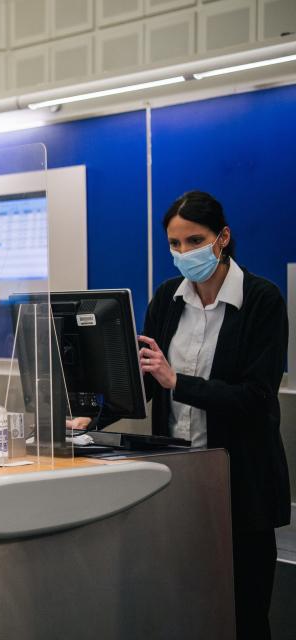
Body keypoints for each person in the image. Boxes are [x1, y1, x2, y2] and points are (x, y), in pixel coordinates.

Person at [137, 191, 289, 639]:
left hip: (241, 488)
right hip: (178, 486)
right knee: (184, 610)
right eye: (174, 244)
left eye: (194, 240)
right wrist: (92, 416)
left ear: (222, 238)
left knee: (243, 615)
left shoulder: (262, 299)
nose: (183, 253)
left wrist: (178, 382)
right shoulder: (167, 298)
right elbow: (148, 379)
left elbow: (256, 398)